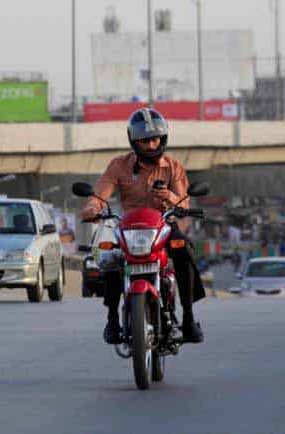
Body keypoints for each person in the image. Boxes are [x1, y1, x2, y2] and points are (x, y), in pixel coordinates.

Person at [81, 108, 205, 345]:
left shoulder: (174, 167)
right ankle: (112, 319)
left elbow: (184, 201)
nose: (150, 145)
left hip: (163, 227)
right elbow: (100, 195)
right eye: (144, 140)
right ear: (133, 141)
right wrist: (92, 209)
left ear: (163, 138)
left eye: (154, 139)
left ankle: (188, 318)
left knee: (184, 248)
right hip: (128, 229)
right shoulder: (119, 165)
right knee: (109, 258)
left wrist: (168, 195)